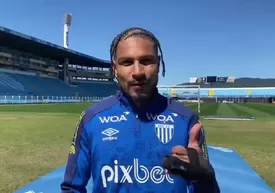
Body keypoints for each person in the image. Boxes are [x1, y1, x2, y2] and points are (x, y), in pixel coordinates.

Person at [61, 27, 220, 193]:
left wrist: (204, 177)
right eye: (127, 62)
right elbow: (71, 188)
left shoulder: (187, 121)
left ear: (158, 64)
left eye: (146, 61)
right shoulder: (91, 119)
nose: (137, 72)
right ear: (115, 68)